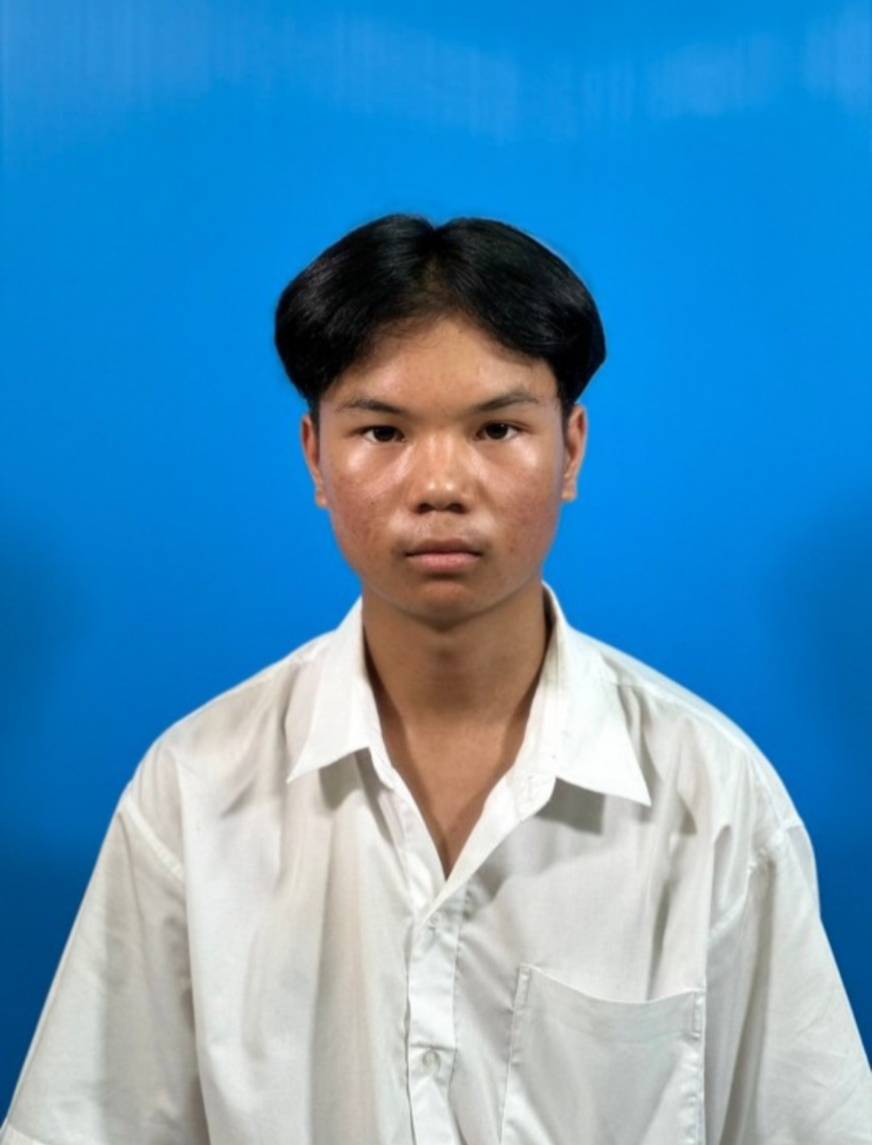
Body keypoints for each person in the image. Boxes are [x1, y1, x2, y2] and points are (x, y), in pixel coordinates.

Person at [2, 213, 869, 1145]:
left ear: (572, 449)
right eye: (383, 431)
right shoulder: (194, 793)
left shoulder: (714, 801)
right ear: (316, 456)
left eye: (498, 428)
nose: (441, 485)